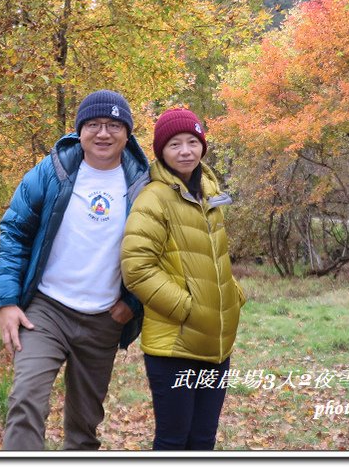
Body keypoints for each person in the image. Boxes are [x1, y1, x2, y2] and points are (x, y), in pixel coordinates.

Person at [0, 89, 150, 450]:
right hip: (45, 311)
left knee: (84, 426)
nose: (103, 133)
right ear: (79, 131)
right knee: (25, 402)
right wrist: (7, 302)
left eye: (113, 125)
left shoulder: (143, 185)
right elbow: (14, 230)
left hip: (104, 319)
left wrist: (133, 304)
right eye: (93, 124)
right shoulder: (52, 171)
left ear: (128, 133)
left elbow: (161, 252)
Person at [121, 107, 246, 451]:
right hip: (174, 344)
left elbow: (213, 258)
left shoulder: (209, 192)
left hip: (215, 344)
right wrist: (187, 308)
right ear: (161, 151)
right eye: (175, 144)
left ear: (203, 146)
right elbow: (137, 268)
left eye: (192, 141)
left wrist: (232, 296)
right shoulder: (153, 198)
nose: (186, 150)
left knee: (203, 440)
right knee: (174, 441)